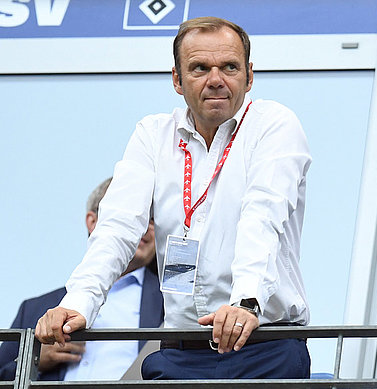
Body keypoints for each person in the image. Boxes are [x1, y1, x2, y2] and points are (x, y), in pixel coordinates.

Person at [35, 16, 312, 380]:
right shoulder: (153, 134)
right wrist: (77, 302)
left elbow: (263, 215)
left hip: (265, 344)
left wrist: (245, 302)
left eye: (229, 67)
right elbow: (117, 226)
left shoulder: (274, 124)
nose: (216, 79)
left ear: (249, 76)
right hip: (181, 350)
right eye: (199, 68)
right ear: (177, 80)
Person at [0, 178, 163, 381]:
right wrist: (34, 361)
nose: (144, 226)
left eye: (153, 218)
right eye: (131, 218)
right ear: (92, 222)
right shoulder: (33, 309)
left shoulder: (172, 304)